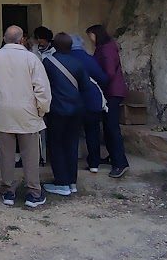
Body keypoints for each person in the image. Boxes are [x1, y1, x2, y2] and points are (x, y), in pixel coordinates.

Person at [0, 26, 52, 209]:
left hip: (3, 112)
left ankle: (7, 191)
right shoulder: (31, 58)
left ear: (4, 39)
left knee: (6, 155)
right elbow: (42, 89)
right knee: (31, 155)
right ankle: (33, 192)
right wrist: (41, 110)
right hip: (28, 112)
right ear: (22, 40)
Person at [40, 33, 91, 197]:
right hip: (76, 110)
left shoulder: (48, 62)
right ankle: (72, 182)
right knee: (72, 144)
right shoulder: (78, 63)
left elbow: (43, 86)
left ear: (54, 45)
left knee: (56, 145)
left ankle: (61, 182)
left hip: (57, 110)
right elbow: (85, 86)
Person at [89, 24, 130, 178]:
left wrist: (97, 84)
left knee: (112, 128)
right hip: (111, 91)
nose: (90, 39)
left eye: (90, 35)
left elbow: (109, 72)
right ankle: (113, 156)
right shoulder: (105, 47)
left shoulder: (106, 49)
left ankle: (121, 163)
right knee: (108, 126)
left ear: (96, 34)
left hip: (112, 92)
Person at [71, 41, 110, 173]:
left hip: (73, 102)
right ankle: (94, 163)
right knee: (93, 133)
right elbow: (103, 78)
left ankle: (71, 164)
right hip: (92, 101)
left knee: (71, 134)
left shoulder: (66, 59)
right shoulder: (89, 58)